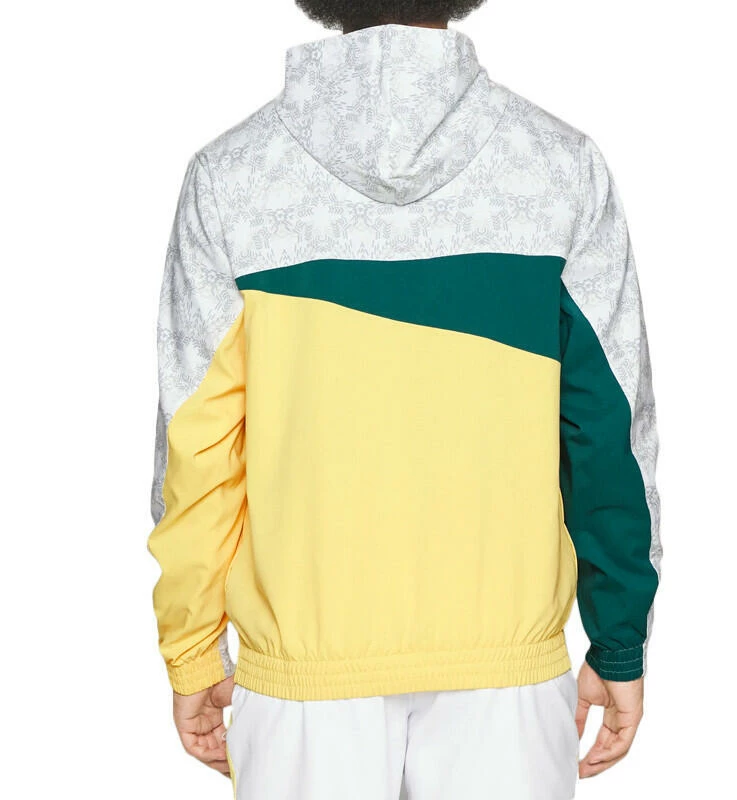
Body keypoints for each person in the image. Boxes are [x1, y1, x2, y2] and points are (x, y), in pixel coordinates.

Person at [147, 2, 663, 797]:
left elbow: (198, 446)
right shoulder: (559, 167)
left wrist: (191, 651)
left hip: (302, 682)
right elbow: (608, 431)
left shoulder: (233, 176)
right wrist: (618, 639)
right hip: (506, 680)